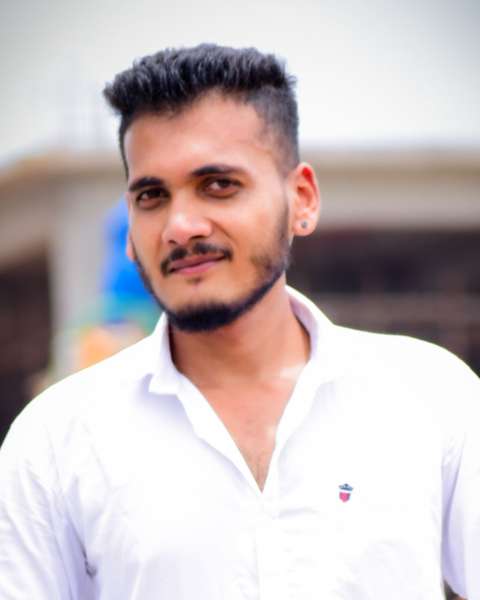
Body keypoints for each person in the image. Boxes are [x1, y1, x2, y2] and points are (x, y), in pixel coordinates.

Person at [0, 44, 478, 600]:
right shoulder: (54, 442)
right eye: (152, 195)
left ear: (302, 199)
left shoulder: (431, 396)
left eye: (218, 185)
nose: (180, 225)